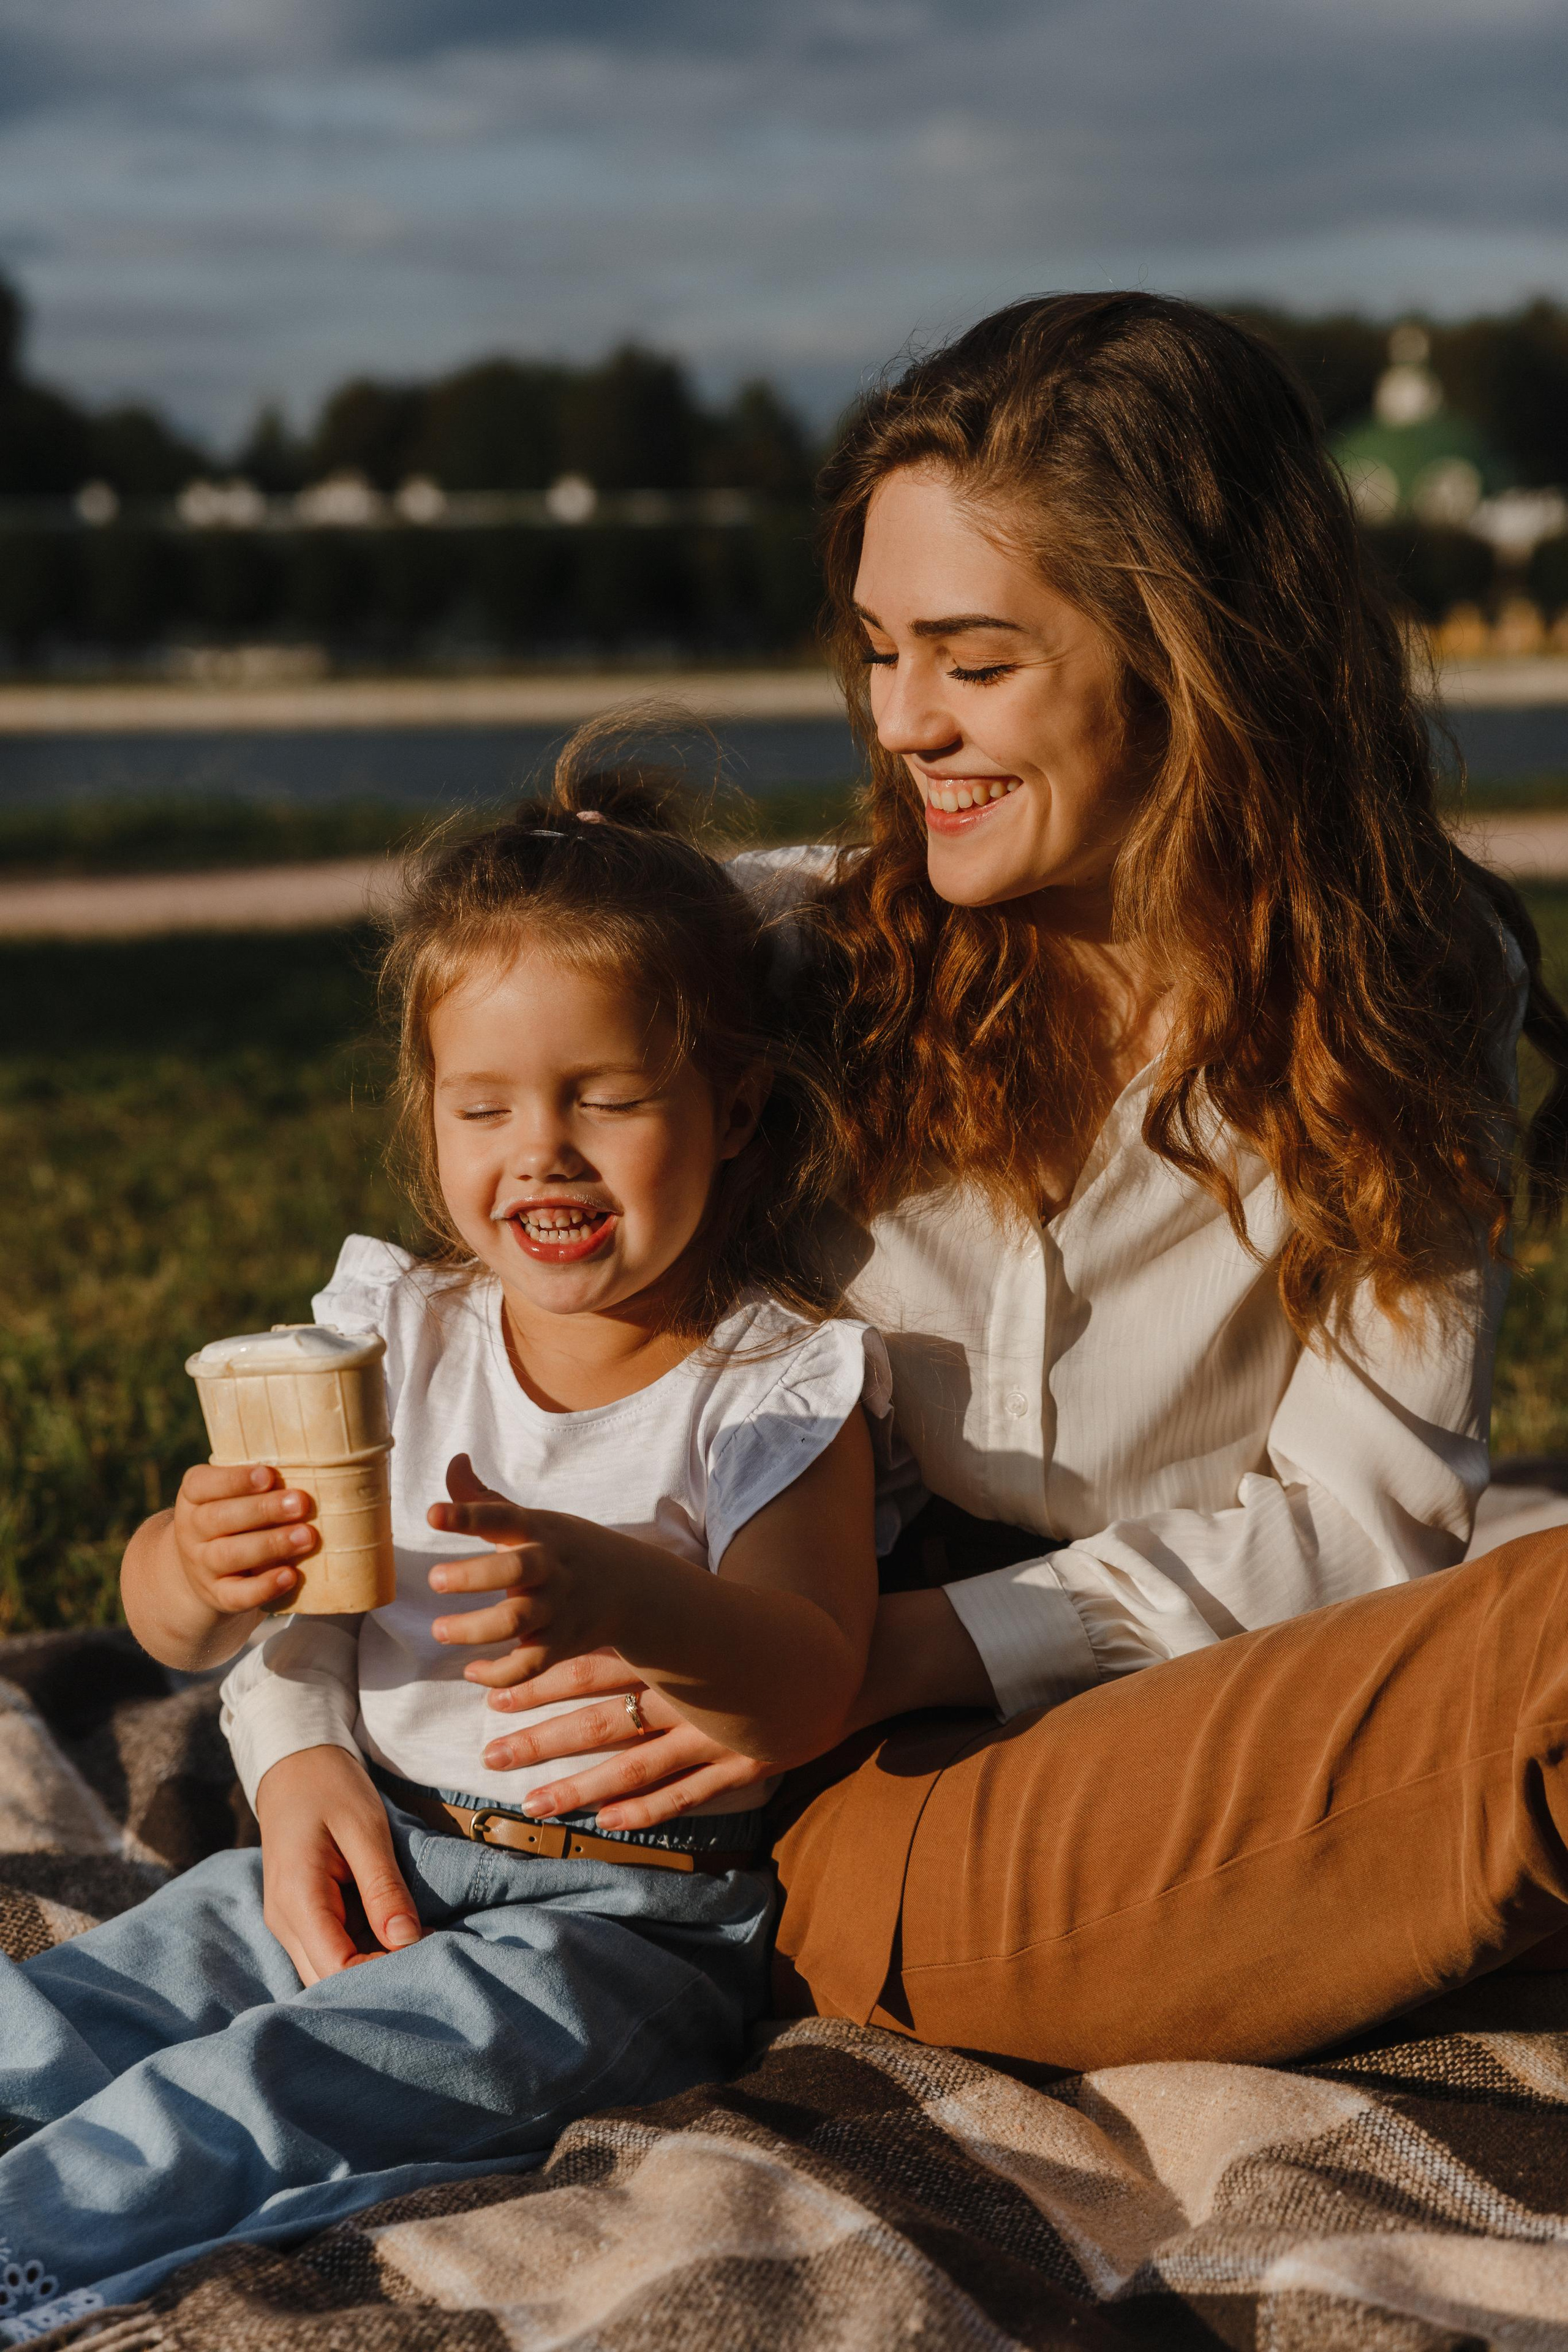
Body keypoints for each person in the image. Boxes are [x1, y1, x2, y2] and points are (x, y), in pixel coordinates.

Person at [294, 290, 1568, 2067]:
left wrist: (897, 1644)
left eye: (973, 663)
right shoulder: (774, 956)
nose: (900, 720)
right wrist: (294, 1743)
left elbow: (1368, 1521)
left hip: (1203, 1694)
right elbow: (415, 1351)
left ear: (1197, 656)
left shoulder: (1404, 990)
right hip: (842, 1795)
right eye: (882, 650)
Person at [0, 763, 888, 2312]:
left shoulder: (765, 1387)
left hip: (615, 1923)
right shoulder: (394, 1337)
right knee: (83, 2002)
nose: (541, 1150)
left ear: (733, 1109)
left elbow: (807, 1682)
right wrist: (193, 1567)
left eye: (606, 1099)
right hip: (373, 1846)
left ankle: (31, 2256)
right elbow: (173, 1627)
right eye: (485, 1107)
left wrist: (635, 1599)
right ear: (430, 1113)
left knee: (275, 2088)